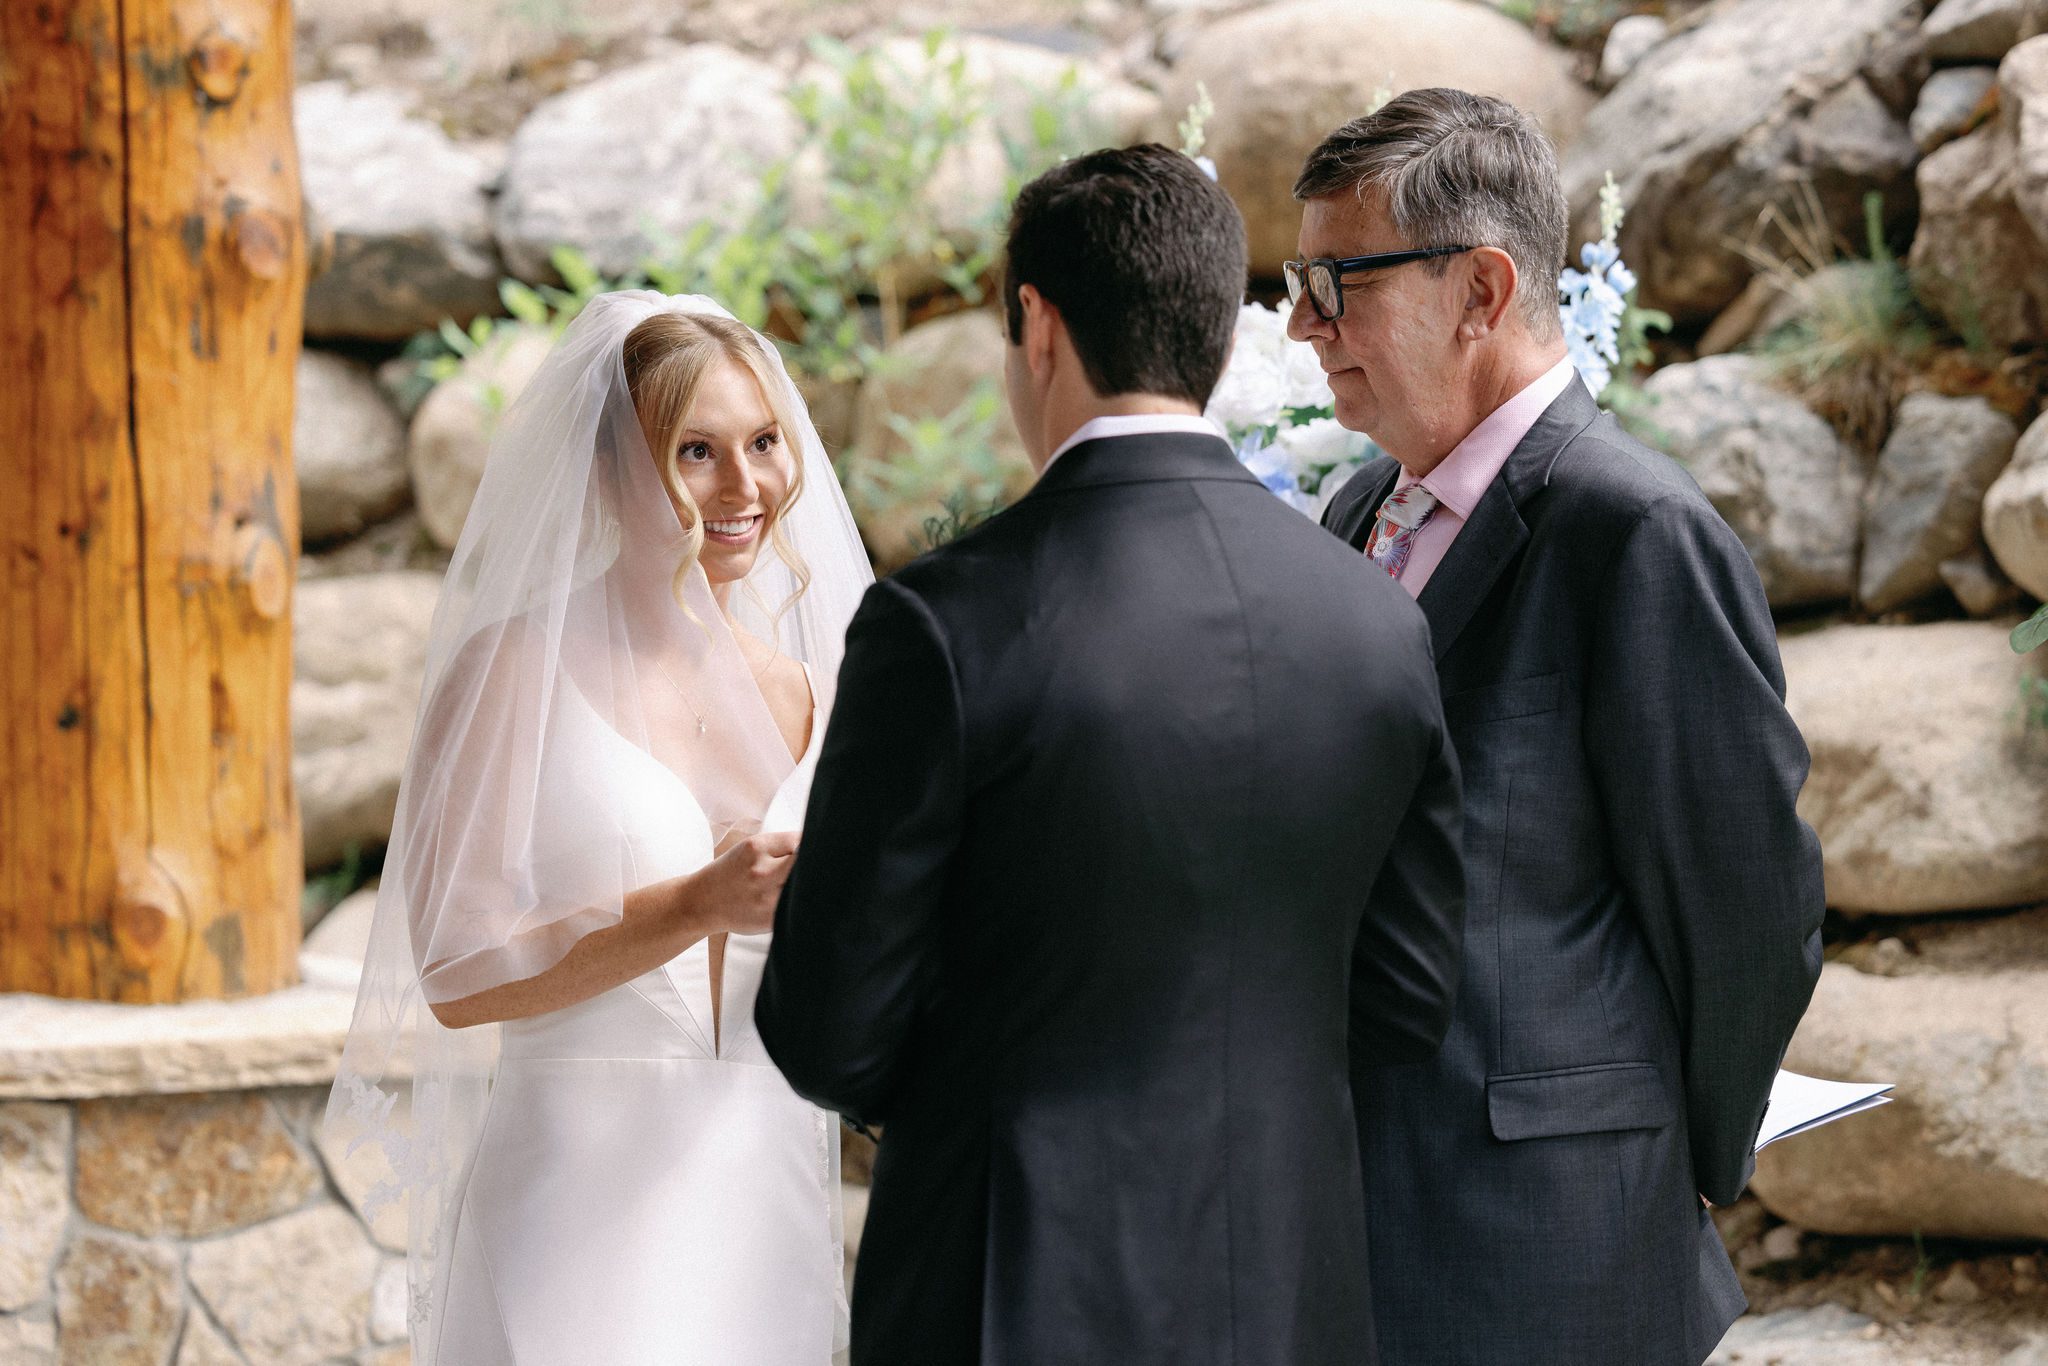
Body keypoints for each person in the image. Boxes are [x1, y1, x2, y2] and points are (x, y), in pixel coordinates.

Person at [756, 143, 1467, 1366]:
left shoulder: (944, 621)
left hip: (1013, 1276)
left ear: (1036, 325)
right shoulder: (1375, 620)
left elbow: (829, 1027)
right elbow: (1407, 990)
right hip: (1283, 1278)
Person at [1288, 89, 1827, 1366]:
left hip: (1550, 1233)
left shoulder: (1632, 532)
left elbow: (1747, 907)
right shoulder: (1358, 504)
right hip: (1346, 1211)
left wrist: (1671, 1166)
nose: (1302, 323)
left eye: (1334, 281)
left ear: (1479, 289)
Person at [323, 292, 874, 1365]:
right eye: (696, 452)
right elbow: (456, 972)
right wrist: (693, 903)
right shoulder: (512, 673)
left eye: (762, 442)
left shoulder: (821, 691)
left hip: (764, 1203)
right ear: (607, 471)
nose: (746, 486)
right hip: (575, 1213)